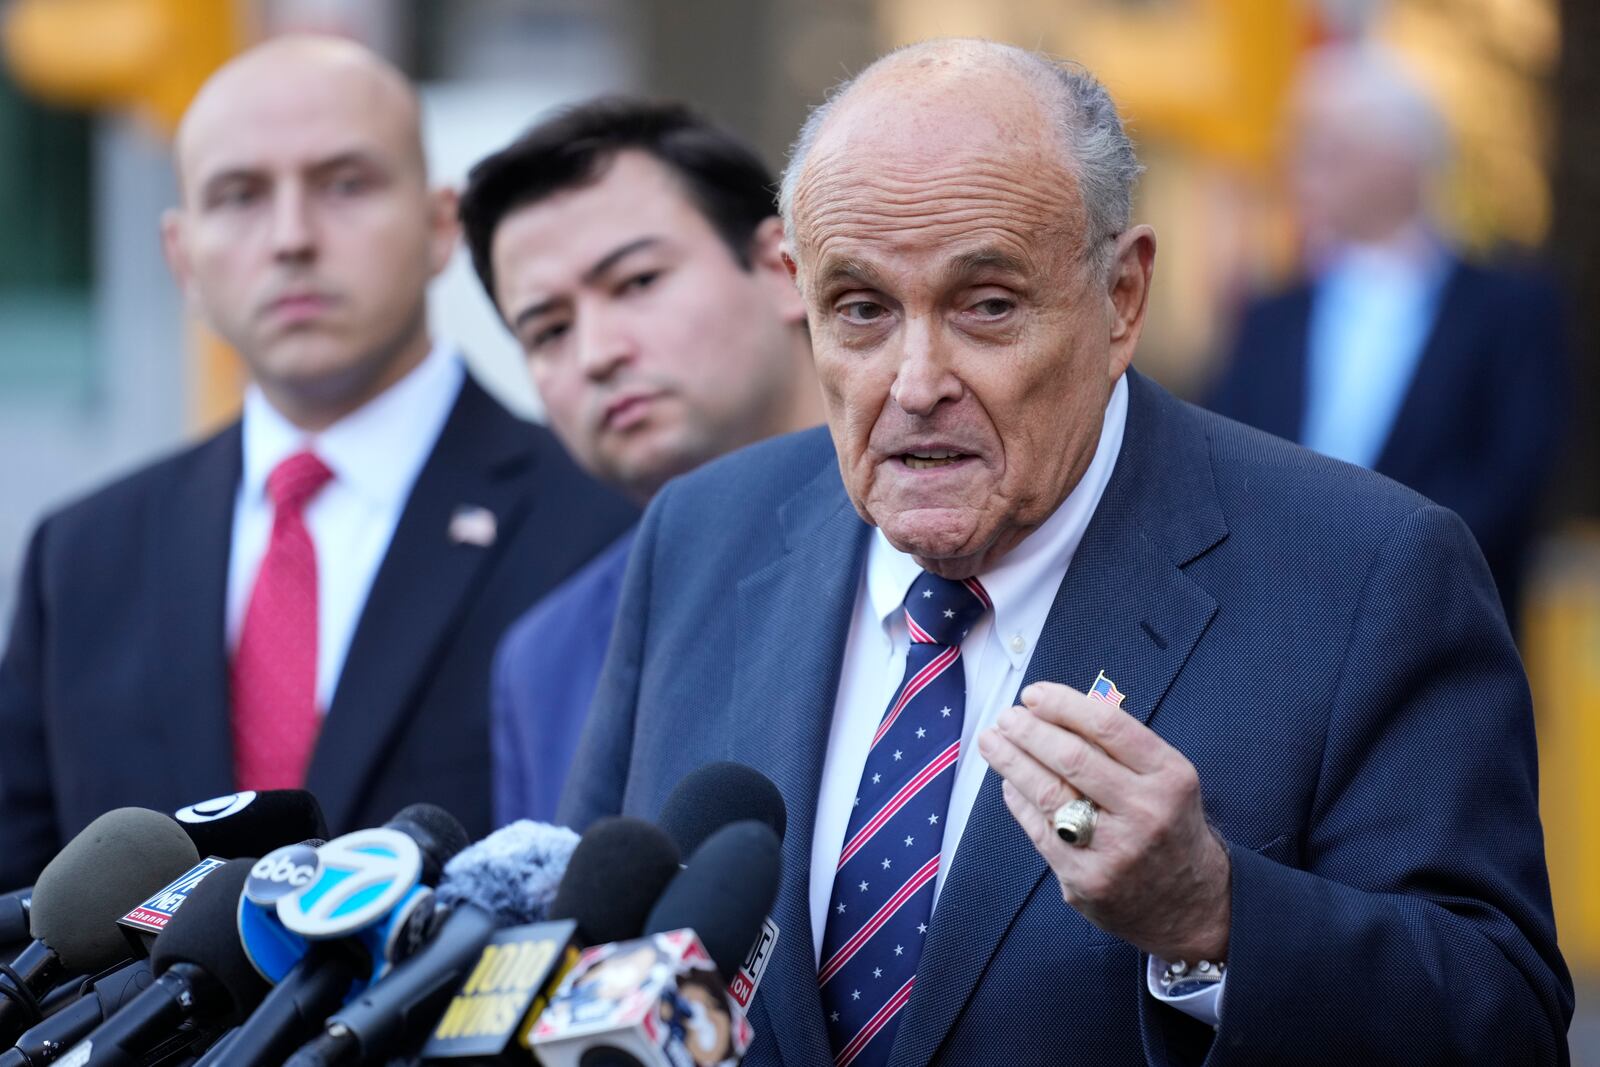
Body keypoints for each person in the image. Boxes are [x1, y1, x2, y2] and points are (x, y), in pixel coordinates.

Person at [560, 39, 1571, 1066]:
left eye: (986, 304)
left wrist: (1217, 915)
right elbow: (588, 953)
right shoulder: (699, 535)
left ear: (1121, 295)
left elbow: (1500, 1018)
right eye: (860, 308)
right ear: (796, 290)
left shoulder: (1366, 572)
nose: (915, 382)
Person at [0, 36, 635, 887]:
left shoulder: (602, 524)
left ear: (441, 226)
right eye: (239, 195)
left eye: (346, 184)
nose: (293, 237)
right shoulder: (83, 557)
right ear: (182, 258)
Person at [456, 99, 821, 824]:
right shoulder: (545, 661)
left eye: (637, 283)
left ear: (782, 269)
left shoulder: (943, 526)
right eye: (548, 329)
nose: (597, 353)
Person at [1207, 44, 1568, 629]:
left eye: (1327, 148)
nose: (1300, 169)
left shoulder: (1509, 309)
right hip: (1272, 634)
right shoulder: (1270, 317)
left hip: (1445, 644)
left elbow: (1512, 480)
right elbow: (1221, 460)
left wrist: (1373, 572)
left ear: (1401, 160)